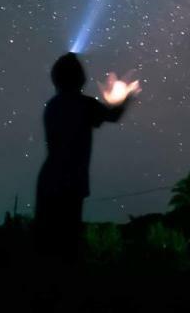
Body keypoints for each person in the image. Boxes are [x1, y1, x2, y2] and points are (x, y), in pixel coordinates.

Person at [34, 52, 133, 262]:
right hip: (71, 183)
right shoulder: (84, 104)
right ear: (80, 78)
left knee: (45, 246)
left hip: (48, 180)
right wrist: (126, 97)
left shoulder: (52, 106)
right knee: (68, 246)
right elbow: (112, 116)